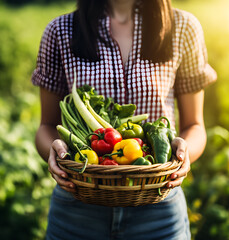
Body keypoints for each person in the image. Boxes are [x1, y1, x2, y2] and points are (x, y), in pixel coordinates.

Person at [32, 0, 217, 239]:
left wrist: (184, 152)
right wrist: (54, 151)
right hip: (78, 207)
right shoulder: (61, 30)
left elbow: (194, 125)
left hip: (158, 208)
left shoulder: (183, 27)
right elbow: (46, 126)